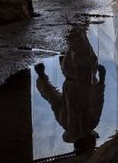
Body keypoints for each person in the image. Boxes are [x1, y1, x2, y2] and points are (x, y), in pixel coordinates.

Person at [35, 26, 106, 154]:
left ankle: (69, 11)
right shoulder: (65, 123)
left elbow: (97, 100)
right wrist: (41, 76)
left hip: (86, 70)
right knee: (66, 32)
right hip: (67, 69)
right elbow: (53, 98)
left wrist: (102, 79)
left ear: (90, 141)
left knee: (76, 29)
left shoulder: (91, 124)